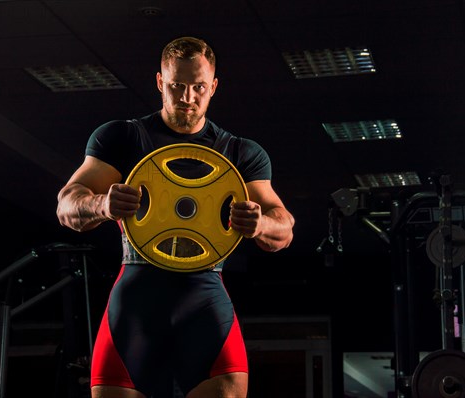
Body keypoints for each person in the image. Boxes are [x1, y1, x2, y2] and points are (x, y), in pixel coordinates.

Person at [56, 36, 295, 398]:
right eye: (176, 86)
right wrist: (102, 205)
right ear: (159, 82)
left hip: (204, 299)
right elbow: (67, 205)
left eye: (198, 87)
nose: (187, 97)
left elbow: (284, 228)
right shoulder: (122, 138)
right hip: (136, 301)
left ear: (213, 86)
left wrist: (260, 223)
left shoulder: (239, 152)